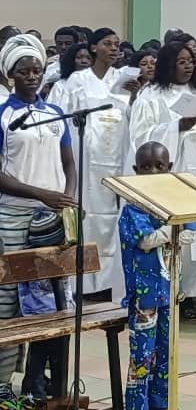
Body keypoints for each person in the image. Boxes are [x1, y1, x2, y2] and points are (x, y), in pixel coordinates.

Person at [0, 34, 77, 408]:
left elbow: (69, 164)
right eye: (24, 71)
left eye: (37, 70)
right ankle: (2, 382)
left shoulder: (55, 113)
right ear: (10, 75)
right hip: (15, 213)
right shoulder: (4, 115)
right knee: (9, 300)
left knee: (50, 301)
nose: (32, 76)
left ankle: (37, 381)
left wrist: (68, 196)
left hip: (52, 216)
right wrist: (40, 193)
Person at [129, 42, 196, 315]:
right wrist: (176, 127)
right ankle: (171, 294)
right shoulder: (151, 95)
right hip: (172, 172)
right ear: (168, 64)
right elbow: (140, 136)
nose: (187, 66)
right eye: (181, 61)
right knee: (172, 233)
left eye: (191, 61)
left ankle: (192, 294)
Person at [119, 142, 196, 410]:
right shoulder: (133, 206)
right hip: (145, 297)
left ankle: (162, 405)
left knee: (166, 356)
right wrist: (173, 230)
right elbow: (145, 240)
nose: (153, 171)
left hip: (169, 292)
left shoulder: (175, 199)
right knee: (143, 358)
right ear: (135, 170)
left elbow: (193, 228)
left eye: (159, 166)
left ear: (170, 168)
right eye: (145, 167)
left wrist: (175, 230)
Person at [62, 28, 139, 299]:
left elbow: (132, 118)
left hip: (116, 159)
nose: (114, 48)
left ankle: (109, 284)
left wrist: (136, 96)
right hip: (86, 162)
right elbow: (66, 119)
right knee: (88, 219)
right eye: (107, 43)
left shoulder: (124, 78)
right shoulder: (77, 81)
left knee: (113, 222)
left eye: (117, 44)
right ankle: (84, 284)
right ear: (93, 48)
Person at [46, 42, 92, 109]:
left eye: (89, 58)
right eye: (79, 57)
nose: (84, 61)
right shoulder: (60, 86)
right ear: (71, 60)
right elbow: (51, 111)